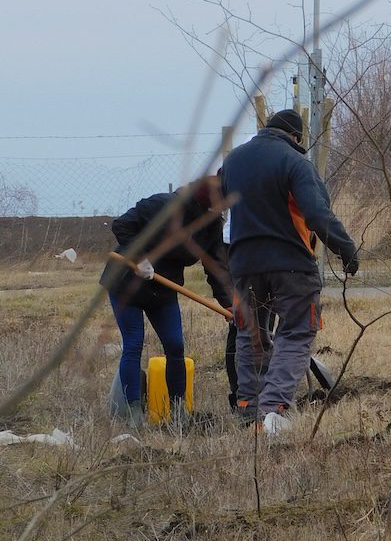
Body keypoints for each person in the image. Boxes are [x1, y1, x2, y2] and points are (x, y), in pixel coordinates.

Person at [220, 108, 359, 434]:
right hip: (291, 265)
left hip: (243, 265)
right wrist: (346, 251)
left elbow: (221, 202)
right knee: (295, 334)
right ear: (296, 137)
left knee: (250, 335)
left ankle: (248, 408)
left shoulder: (233, 162)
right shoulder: (296, 163)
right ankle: (275, 411)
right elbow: (317, 213)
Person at [100, 180, 232, 425]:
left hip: (162, 287)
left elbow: (216, 268)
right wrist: (138, 258)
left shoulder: (211, 225)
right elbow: (122, 225)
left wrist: (229, 304)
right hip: (126, 282)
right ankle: (134, 413)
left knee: (175, 346)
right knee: (134, 343)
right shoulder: (163, 205)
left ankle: (179, 413)